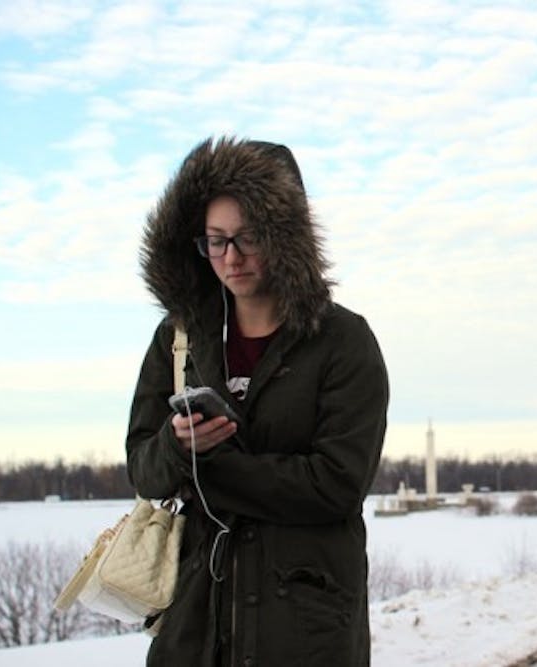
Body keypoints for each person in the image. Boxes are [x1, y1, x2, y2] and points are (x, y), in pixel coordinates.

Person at [125, 136, 389, 666]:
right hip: (194, 629)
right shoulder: (177, 340)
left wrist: (213, 469)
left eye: (248, 238)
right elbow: (143, 470)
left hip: (302, 631)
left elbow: (336, 485)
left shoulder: (343, 341)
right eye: (215, 241)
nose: (231, 257)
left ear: (286, 236)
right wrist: (177, 449)